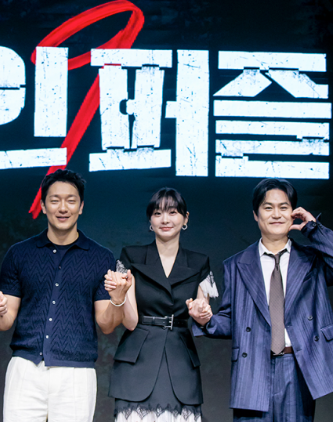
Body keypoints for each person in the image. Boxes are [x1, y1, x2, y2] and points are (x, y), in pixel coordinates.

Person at [0, 169, 131, 422]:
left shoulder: (101, 257)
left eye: (71, 200)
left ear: (81, 207)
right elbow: (3, 322)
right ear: (42, 205)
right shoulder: (19, 254)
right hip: (25, 368)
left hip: (76, 374)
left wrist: (118, 299)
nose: (63, 208)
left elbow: (106, 325)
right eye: (54, 200)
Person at [189, 178, 333, 421]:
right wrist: (206, 319)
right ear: (256, 214)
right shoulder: (236, 265)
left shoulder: (312, 260)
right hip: (253, 366)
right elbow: (231, 320)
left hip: (299, 365)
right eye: (268, 207)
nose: (276, 214)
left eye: (283, 207)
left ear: (294, 212)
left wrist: (314, 229)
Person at [105, 187, 217, 422]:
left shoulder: (200, 262)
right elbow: (131, 322)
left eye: (173, 212)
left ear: (185, 218)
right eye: (158, 213)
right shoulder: (130, 256)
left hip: (180, 362)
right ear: (150, 220)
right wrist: (120, 295)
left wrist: (201, 313)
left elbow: (203, 315)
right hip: (137, 362)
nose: (165, 219)